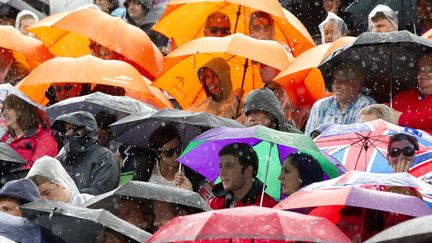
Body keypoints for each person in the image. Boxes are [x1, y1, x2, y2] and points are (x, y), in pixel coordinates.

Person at [52, 111, 119, 195]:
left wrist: (68, 195)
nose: (66, 134)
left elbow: (101, 193)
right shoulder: (62, 159)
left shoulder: (105, 157)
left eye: (69, 129)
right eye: (65, 130)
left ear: (82, 131)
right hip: (61, 207)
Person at [305, 63, 376, 136]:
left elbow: (361, 138)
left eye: (342, 81)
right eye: (335, 81)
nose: (336, 86)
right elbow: (308, 139)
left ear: (356, 86)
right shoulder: (320, 106)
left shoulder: (366, 106)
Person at [133, 125, 203, 191]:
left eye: (178, 149)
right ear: (158, 152)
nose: (176, 155)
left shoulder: (190, 174)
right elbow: (134, 195)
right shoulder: (146, 168)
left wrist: (189, 193)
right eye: (169, 152)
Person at [209, 143, 277, 209]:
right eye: (221, 166)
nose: (221, 173)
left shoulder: (269, 208)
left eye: (229, 166)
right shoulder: (214, 203)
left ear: (248, 171)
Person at [1, 95, 58, 169]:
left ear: (23, 110)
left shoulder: (44, 139)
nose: (4, 113)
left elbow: (38, 171)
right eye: (3, 109)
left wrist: (12, 172)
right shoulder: (4, 139)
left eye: (9, 108)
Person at [26, 156, 94, 206]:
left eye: (47, 192)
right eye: (37, 196)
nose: (42, 199)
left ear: (62, 183)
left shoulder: (87, 203)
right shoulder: (40, 217)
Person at [392, 53, 432, 134]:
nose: (422, 73)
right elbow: (384, 112)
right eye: (420, 69)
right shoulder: (403, 96)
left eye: (429, 69)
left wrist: (400, 118)